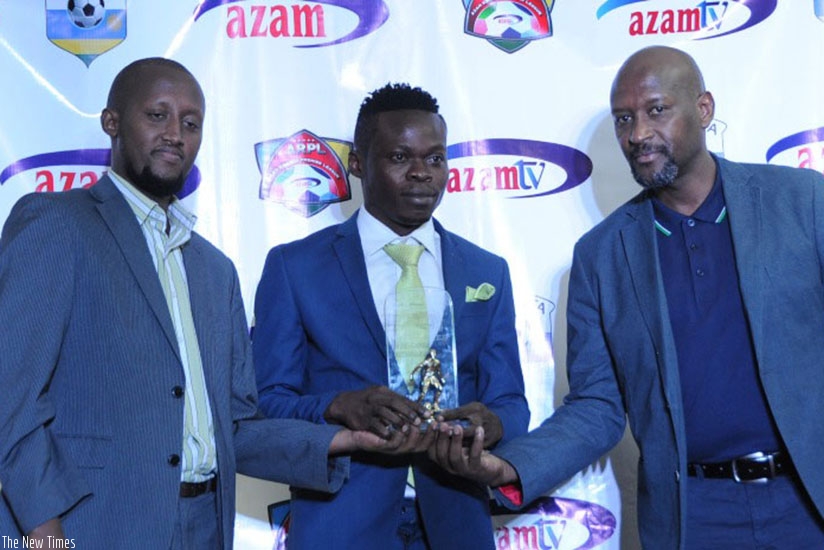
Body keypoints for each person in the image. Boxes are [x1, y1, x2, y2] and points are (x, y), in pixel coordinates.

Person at [429, 46, 824, 549]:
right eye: (624, 119)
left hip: (809, 500)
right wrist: (508, 465)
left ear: (704, 109)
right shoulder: (601, 256)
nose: (637, 134)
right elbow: (597, 407)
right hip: (693, 518)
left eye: (656, 110)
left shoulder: (802, 202)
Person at [0, 57, 392, 549]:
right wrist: (45, 538)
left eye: (190, 123)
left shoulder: (214, 270)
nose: (175, 135)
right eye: (156, 115)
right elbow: (9, 403)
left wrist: (340, 439)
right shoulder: (57, 224)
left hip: (206, 525)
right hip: (91, 526)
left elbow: (237, 427)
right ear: (112, 122)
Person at [252, 83, 529, 549]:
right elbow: (265, 407)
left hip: (457, 523)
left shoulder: (488, 271)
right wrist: (338, 406)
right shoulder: (294, 267)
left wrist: (493, 424)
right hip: (340, 525)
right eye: (400, 158)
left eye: (435, 158)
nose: (421, 173)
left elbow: (512, 404)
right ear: (358, 164)